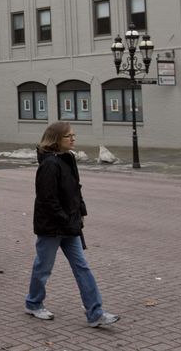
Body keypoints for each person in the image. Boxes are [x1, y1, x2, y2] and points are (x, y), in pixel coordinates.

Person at [24, 122, 120, 328]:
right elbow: (47, 200)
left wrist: (81, 211)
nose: (73, 139)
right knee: (43, 268)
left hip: (69, 225)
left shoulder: (68, 159)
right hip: (52, 227)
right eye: (69, 136)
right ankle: (33, 303)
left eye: (73, 135)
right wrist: (66, 220)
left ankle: (95, 313)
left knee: (82, 267)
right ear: (56, 139)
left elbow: (75, 189)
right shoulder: (49, 164)